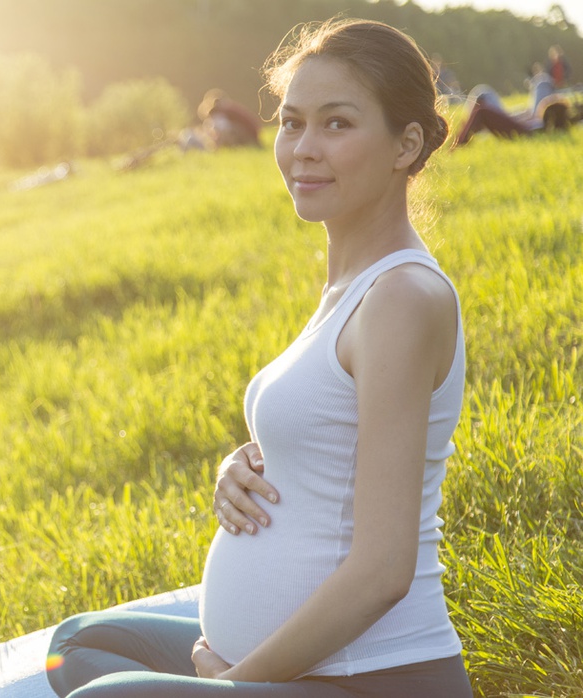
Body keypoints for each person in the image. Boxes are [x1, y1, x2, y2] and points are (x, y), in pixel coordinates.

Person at [45, 18, 472, 697]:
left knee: (101, 694)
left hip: (373, 679)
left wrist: (235, 684)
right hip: (277, 665)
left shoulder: (402, 298)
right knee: (78, 645)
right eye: (292, 123)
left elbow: (385, 570)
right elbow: (335, 444)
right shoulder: (350, 287)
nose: (304, 149)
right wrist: (244, 464)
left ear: (406, 144)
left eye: (337, 124)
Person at [452, 64, 570, 147]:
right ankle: (461, 137)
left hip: (517, 128)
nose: (546, 101)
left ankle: (458, 144)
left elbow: (528, 126)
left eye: (549, 102)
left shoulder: (541, 125)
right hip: (517, 123)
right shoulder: (541, 123)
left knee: (481, 107)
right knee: (482, 95)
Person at [197, 89, 264, 148]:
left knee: (224, 130)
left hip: (249, 135)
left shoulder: (225, 110)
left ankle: (229, 147)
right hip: (252, 134)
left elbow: (223, 129)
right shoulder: (229, 108)